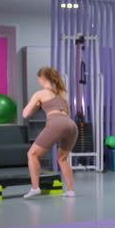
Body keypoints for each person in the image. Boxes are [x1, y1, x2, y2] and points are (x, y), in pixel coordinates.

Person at [22, 67, 78, 198]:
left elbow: (25, 114)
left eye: (38, 79)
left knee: (32, 154)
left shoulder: (40, 93)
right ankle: (70, 191)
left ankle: (35, 188)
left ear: (41, 78)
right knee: (62, 159)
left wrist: (36, 106)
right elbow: (68, 114)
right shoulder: (62, 94)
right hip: (71, 125)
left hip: (56, 123)